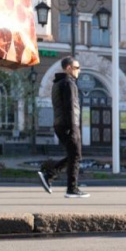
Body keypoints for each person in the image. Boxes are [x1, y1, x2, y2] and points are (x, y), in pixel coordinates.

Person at [37, 56, 89, 198]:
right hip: (68, 124)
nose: (79, 70)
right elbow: (70, 107)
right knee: (76, 155)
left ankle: (50, 173)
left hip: (61, 124)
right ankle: (70, 188)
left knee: (74, 155)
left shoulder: (59, 83)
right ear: (69, 68)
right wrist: (73, 128)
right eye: (77, 68)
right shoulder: (68, 83)